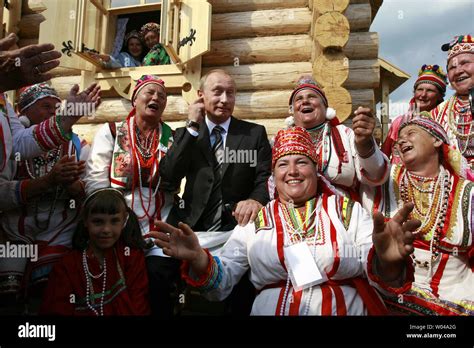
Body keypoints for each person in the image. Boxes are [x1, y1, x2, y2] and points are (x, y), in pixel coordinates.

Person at [151, 126, 420, 316]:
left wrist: (386, 261)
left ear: (315, 170)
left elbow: (379, 275)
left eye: (302, 162)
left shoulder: (347, 211)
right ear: (274, 175)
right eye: (283, 164)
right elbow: (223, 282)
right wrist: (199, 257)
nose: (292, 171)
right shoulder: (256, 221)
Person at [159, 69, 272, 315]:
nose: (224, 99)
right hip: (190, 227)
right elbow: (168, 178)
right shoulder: (186, 134)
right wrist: (191, 126)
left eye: (230, 93)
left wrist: (255, 200)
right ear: (200, 96)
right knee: (160, 276)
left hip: (235, 230)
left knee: (242, 292)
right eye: (217, 92)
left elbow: (265, 178)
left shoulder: (253, 134)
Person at [364, 116, 474, 315]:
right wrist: (364, 143)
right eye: (399, 138)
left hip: (458, 300)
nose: (401, 140)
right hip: (394, 296)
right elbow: (371, 164)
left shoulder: (468, 192)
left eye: (411, 134)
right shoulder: (387, 179)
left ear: (437, 141)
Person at [85, 74, 175, 317]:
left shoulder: (173, 138)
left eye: (162, 96)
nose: (156, 98)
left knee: (158, 278)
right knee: (118, 281)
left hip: (158, 223)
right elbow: (95, 179)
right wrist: (109, 219)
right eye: (150, 93)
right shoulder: (112, 131)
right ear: (135, 99)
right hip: (118, 224)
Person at [0, 84, 89, 312]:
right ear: (24, 111)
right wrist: (47, 181)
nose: (53, 112)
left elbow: (85, 191)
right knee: (8, 294)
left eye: (57, 108)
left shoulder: (76, 144)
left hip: (58, 228)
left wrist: (72, 185)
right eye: (45, 106)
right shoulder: (11, 143)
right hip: (16, 230)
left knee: (49, 287)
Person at [40, 188, 150, 315]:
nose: (106, 229)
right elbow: (58, 309)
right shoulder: (67, 267)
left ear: (124, 220)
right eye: (98, 222)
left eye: (114, 221)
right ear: (86, 221)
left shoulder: (131, 256)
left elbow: (139, 306)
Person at [285, 75, 389, 201]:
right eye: (299, 99)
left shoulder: (345, 134)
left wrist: (364, 144)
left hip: (342, 212)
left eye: (312, 97)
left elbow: (376, 175)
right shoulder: (283, 141)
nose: (305, 101)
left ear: (325, 107)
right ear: (292, 110)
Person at [381, 64, 447, 163]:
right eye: (419, 89)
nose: (423, 94)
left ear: (440, 96)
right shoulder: (399, 122)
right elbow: (383, 156)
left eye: (430, 90)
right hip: (398, 176)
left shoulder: (445, 121)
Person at [431, 34, 474, 170]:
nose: (458, 71)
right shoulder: (435, 115)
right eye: (452, 68)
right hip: (455, 187)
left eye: (464, 63)